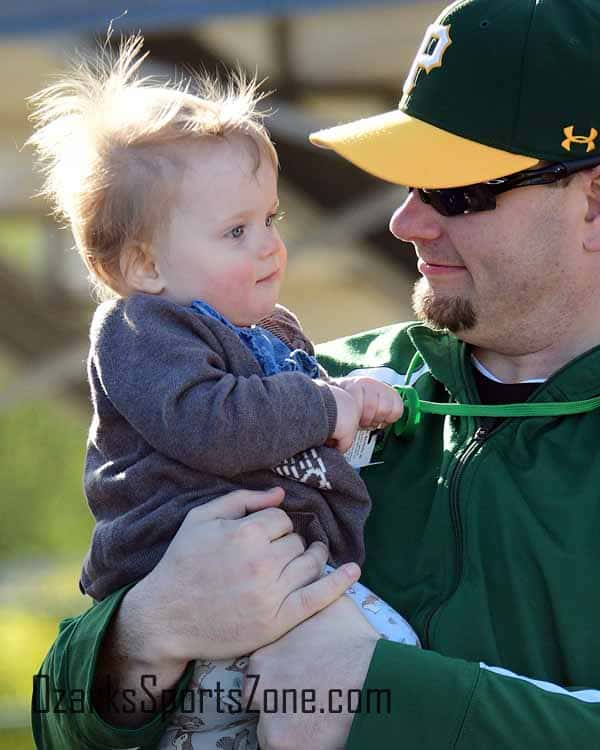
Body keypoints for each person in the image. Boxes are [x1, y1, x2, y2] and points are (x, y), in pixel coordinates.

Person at [31, 0, 600, 747]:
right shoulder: (299, 389)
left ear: (592, 201)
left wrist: (382, 699)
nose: (406, 222)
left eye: (459, 192)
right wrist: (143, 636)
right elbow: (55, 720)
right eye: (408, 182)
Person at [27, 35, 415, 750]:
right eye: (236, 230)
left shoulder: (276, 331)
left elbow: (302, 435)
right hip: (193, 573)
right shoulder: (145, 328)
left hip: (280, 574)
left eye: (270, 219)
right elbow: (213, 424)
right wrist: (332, 405)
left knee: (357, 675)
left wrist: (355, 414)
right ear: (143, 263)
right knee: (374, 665)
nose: (268, 245)